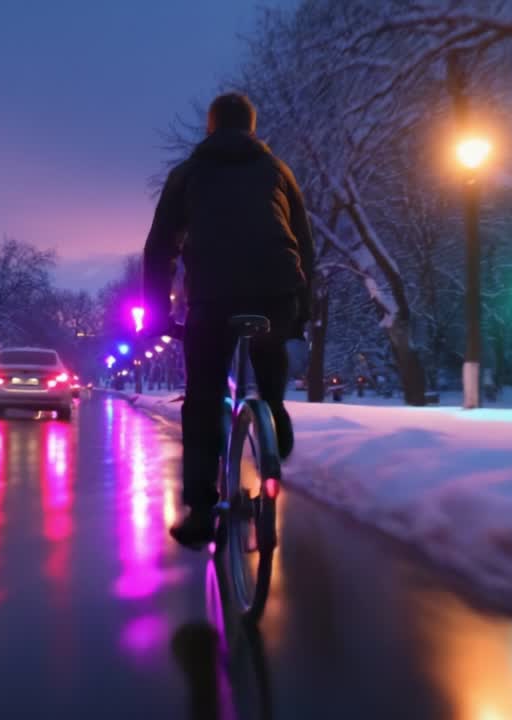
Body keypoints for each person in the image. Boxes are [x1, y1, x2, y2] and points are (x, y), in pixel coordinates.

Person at [143, 92, 316, 550]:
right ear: (253, 129)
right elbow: (304, 243)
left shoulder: (189, 173)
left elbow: (161, 246)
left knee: (202, 398)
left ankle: (201, 511)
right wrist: (302, 313)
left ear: (210, 128)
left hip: (213, 298)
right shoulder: (278, 171)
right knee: (270, 341)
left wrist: (159, 313)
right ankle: (274, 407)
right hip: (278, 291)